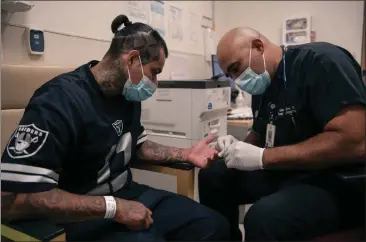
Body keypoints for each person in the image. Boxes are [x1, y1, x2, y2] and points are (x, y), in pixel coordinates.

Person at [1, 15, 230, 241]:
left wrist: (185, 153)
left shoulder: (127, 94)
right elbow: (9, 200)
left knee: (214, 226)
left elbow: (137, 145)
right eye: (154, 72)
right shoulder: (58, 102)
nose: (155, 83)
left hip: (126, 195)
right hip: (78, 215)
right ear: (131, 60)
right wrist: (113, 207)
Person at [199, 27, 366, 241]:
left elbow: (355, 141)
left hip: (336, 180)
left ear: (258, 47)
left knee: (263, 217)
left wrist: (263, 157)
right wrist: (234, 147)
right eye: (230, 75)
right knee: (214, 175)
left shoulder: (321, 61)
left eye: (236, 68)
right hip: (289, 170)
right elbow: (260, 135)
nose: (237, 80)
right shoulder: (265, 83)